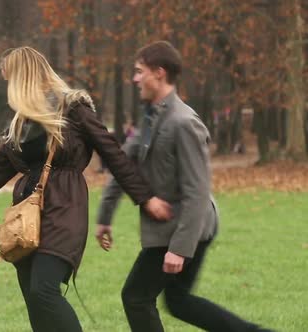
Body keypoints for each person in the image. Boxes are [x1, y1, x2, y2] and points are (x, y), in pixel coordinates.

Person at [0, 46, 171, 332]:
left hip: (64, 208)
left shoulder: (73, 110)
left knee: (43, 290)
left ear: (23, 77)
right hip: (25, 220)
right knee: (36, 303)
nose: (8, 87)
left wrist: (145, 198)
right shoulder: (19, 124)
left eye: (9, 78)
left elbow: (114, 155)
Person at [96, 41, 273, 332]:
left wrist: (179, 248)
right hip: (175, 226)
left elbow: (198, 191)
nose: (135, 78)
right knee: (178, 301)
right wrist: (105, 216)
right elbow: (124, 167)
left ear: (159, 73)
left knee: (136, 297)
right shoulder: (152, 116)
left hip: (186, 228)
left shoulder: (183, 122)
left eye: (140, 72)